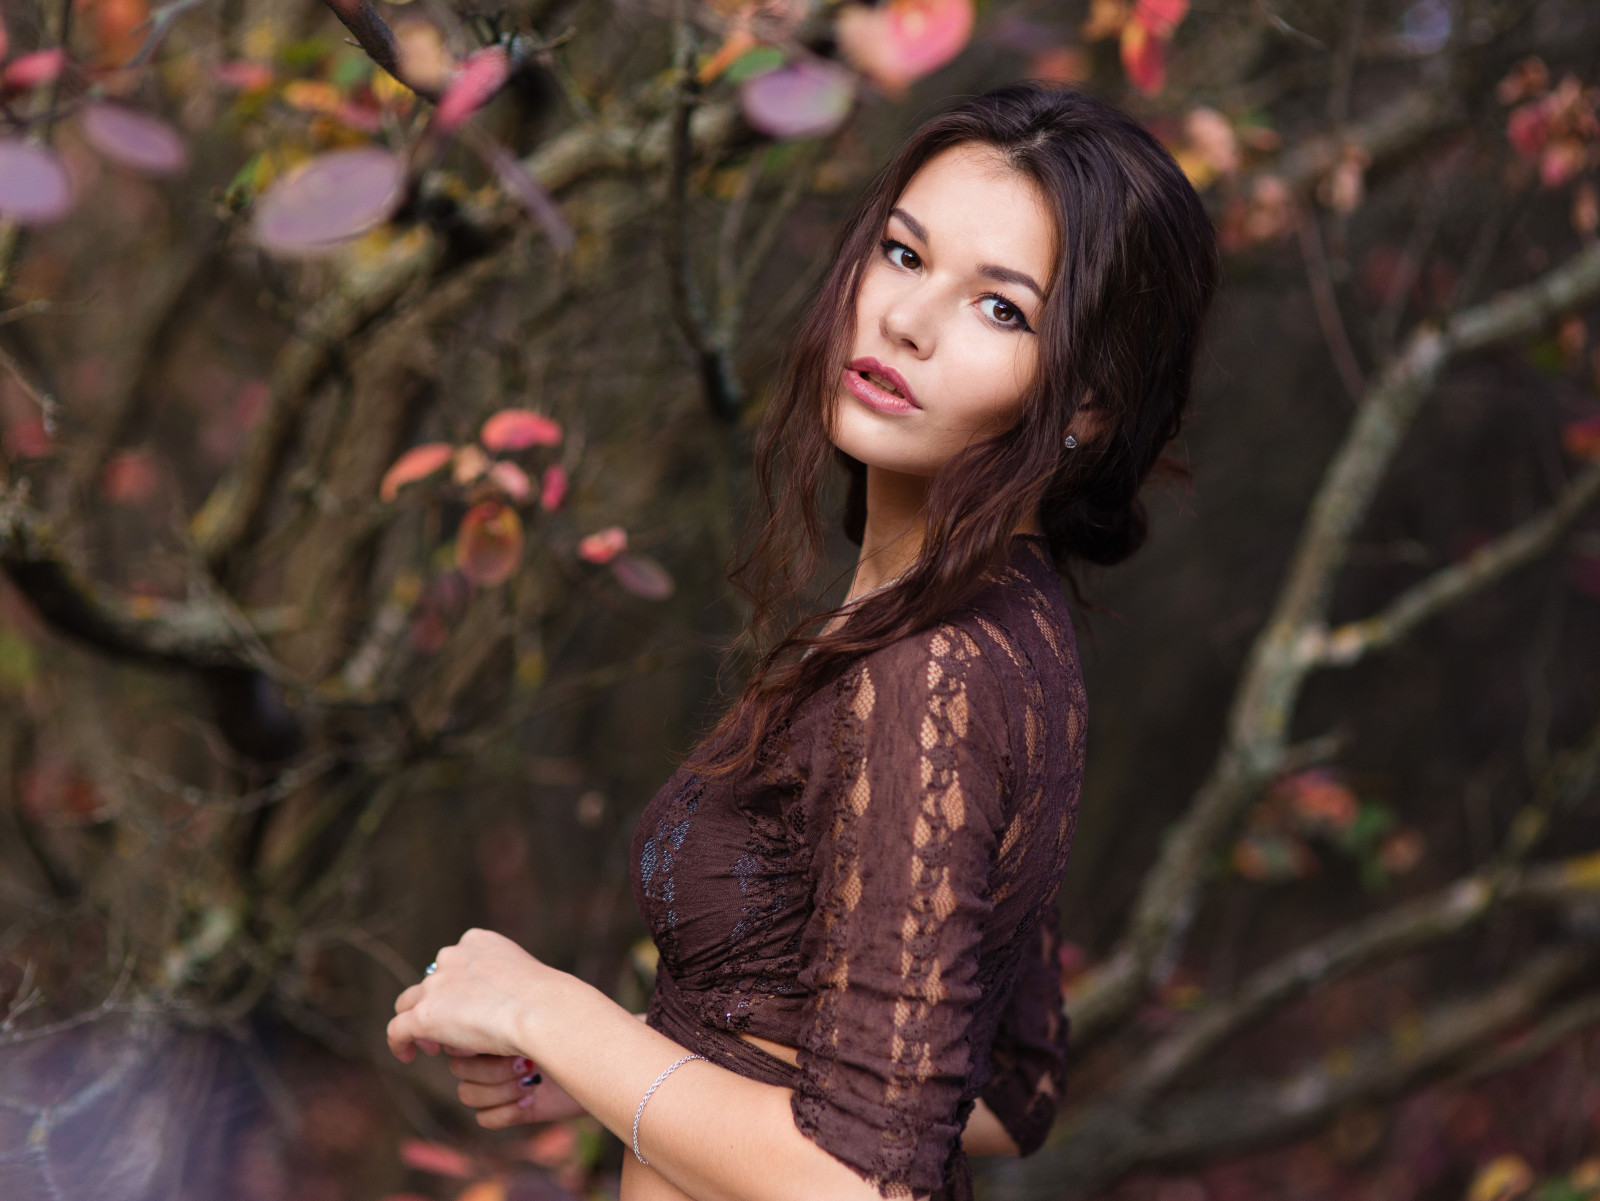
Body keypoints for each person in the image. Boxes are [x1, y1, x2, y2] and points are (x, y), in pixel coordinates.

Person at [386, 81, 1219, 1201]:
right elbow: (1009, 1089)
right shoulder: (987, 631)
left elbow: (861, 1181)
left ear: (1087, 409)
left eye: (1001, 308)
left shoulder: (933, 674)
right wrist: (603, 1066)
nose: (906, 320)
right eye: (905, 254)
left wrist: (552, 1008)